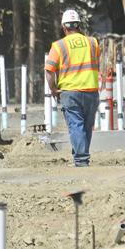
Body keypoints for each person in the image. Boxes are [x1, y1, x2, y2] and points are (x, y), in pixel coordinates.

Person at [44, 10, 100, 167]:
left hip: (70, 92)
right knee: (86, 127)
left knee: (76, 125)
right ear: (79, 25)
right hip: (91, 90)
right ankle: (80, 157)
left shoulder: (59, 46)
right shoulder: (92, 42)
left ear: (64, 27)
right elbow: (97, 62)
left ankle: (81, 160)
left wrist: (53, 89)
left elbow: (49, 70)